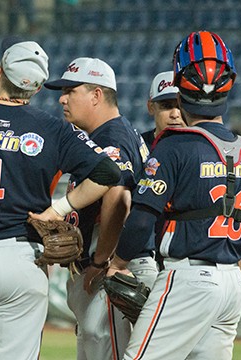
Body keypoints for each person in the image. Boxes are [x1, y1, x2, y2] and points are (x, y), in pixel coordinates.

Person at [0, 41, 120, 359]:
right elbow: (108, 172)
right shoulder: (54, 129)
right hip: (27, 260)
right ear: (34, 88)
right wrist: (58, 209)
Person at [110, 31, 241, 360]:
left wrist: (115, 264)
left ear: (180, 83)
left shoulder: (174, 145)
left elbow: (141, 220)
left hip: (189, 277)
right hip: (231, 285)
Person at [43, 57, 155, 360]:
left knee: (105, 350)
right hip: (107, 263)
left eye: (71, 90)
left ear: (96, 95)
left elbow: (119, 196)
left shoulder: (111, 136)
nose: (62, 98)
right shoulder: (116, 132)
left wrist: (101, 260)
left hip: (108, 267)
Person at [141, 70, 183, 150]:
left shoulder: (203, 146)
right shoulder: (137, 147)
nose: (174, 114)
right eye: (166, 106)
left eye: (181, 107)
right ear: (151, 107)